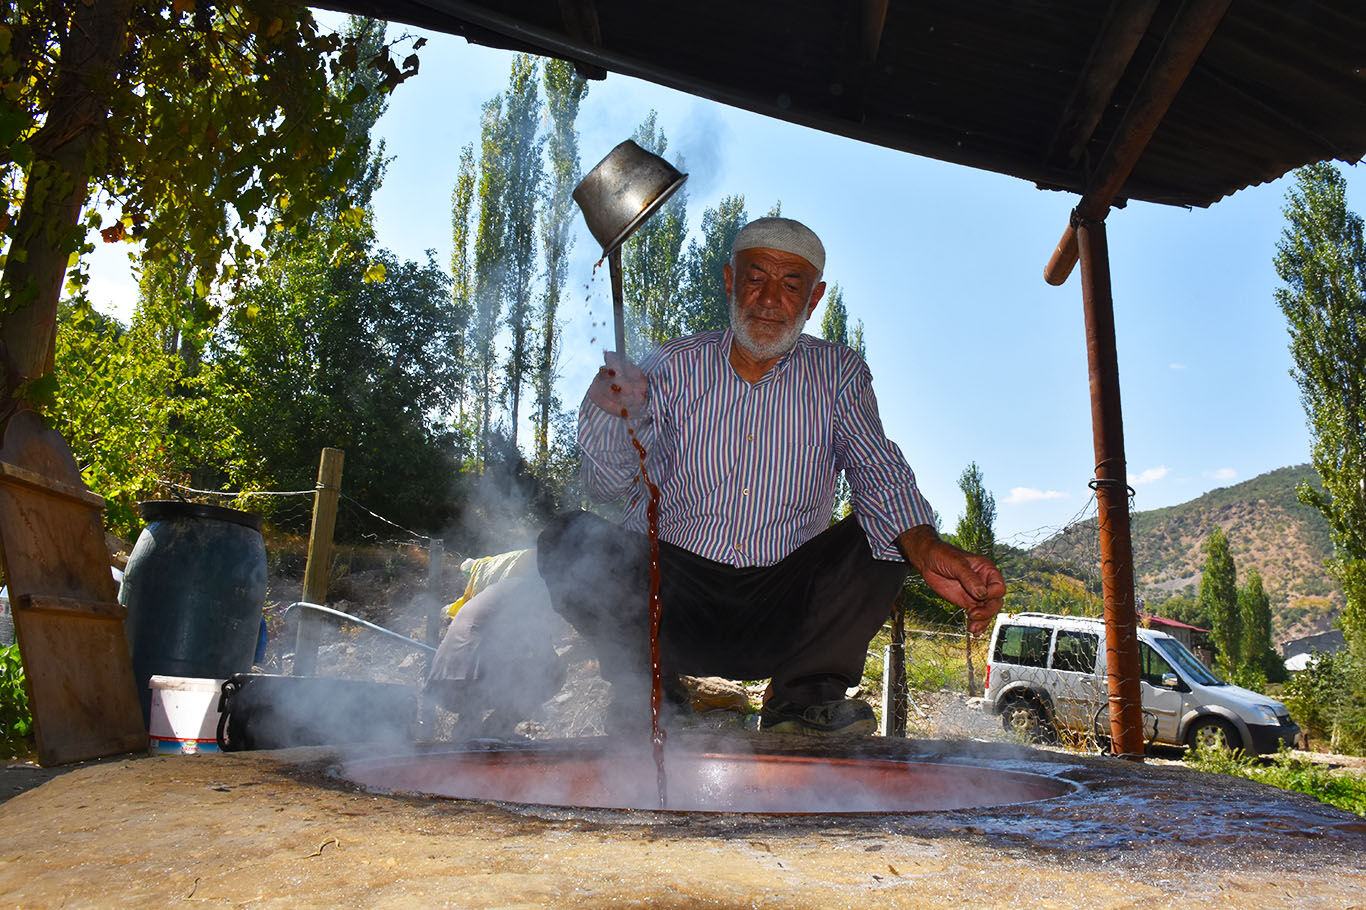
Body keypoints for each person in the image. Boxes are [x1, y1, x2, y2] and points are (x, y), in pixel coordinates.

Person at [538, 216, 1005, 736]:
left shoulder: (838, 372)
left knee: (885, 534)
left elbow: (877, 469)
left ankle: (801, 703)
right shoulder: (670, 365)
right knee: (568, 539)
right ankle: (652, 699)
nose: (768, 300)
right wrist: (607, 412)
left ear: (815, 297)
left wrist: (927, 548)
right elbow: (608, 489)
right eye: (755, 278)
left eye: (790, 285)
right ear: (729, 280)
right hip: (669, 600)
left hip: (784, 605)